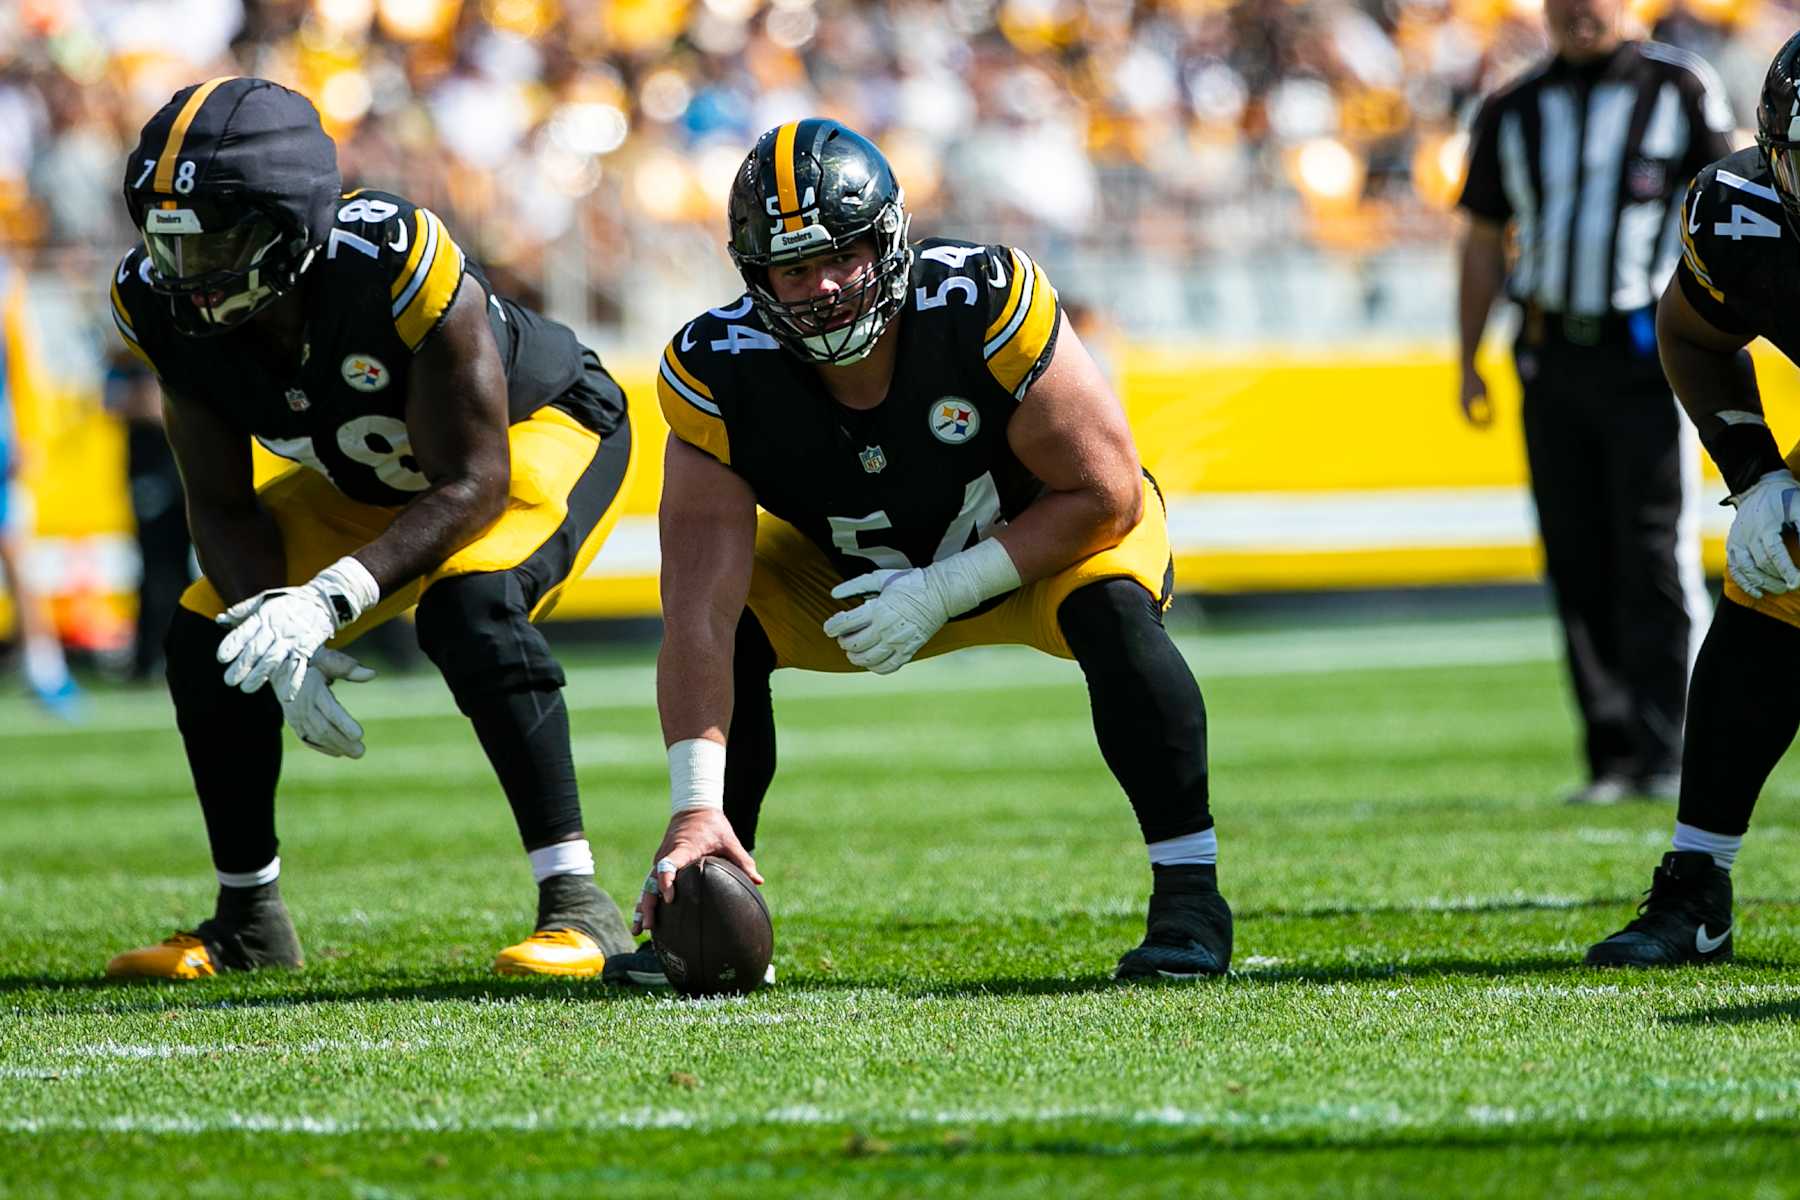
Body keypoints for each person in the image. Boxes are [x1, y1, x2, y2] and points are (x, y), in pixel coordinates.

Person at [625, 119, 1230, 982]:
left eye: (844, 256)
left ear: (891, 240)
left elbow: (1107, 492)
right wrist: (692, 804)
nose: (825, 289)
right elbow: (697, 606)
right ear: (755, 275)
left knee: (1116, 610)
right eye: (795, 269)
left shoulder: (982, 301)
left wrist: (948, 586)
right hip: (848, 582)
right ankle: (711, 894)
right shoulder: (717, 368)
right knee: (733, 623)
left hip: (1029, 550)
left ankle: (1190, 898)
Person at [103, 77, 638, 979]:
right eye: (171, 246)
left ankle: (580, 904)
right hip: (368, 473)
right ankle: (248, 921)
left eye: (216, 246)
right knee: (211, 638)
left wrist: (331, 597)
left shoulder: (391, 258)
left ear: (293, 227)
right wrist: (278, 619)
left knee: (472, 607)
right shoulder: (160, 307)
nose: (186, 276)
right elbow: (224, 505)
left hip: (527, 430)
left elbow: (473, 481)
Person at [1457, 0, 1729, 805]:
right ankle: (1612, 754)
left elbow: (1732, 204)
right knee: (1576, 553)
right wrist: (1466, 354)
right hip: (1548, 352)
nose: (1581, 10)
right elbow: (1480, 236)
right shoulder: (1513, 106)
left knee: (1654, 550)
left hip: (1646, 352)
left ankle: (1677, 745)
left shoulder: (1679, 89)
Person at [1587, 32, 1800, 965]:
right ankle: (1697, 884)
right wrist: (1758, 475)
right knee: (1774, 580)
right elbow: (1694, 336)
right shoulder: (1740, 212)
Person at [0, 251, 82, 719]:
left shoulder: (7, 281)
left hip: (2, 440)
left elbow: (21, 363)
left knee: (15, 550)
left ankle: (45, 669)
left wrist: (26, 433)